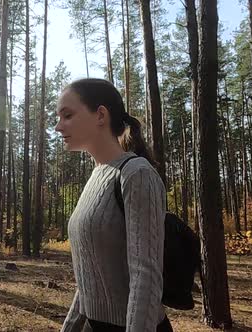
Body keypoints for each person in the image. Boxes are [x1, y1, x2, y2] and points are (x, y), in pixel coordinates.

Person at [55, 78, 172, 332]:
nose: (58, 126)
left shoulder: (136, 174)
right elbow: (91, 276)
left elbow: (146, 276)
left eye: (67, 115)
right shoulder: (97, 175)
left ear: (100, 115)